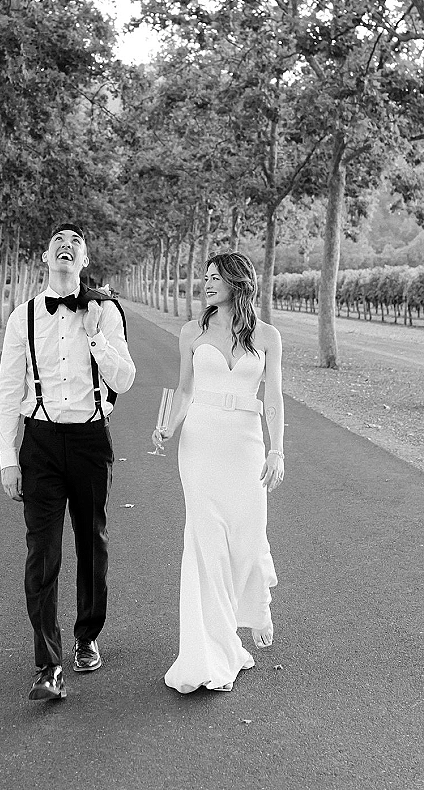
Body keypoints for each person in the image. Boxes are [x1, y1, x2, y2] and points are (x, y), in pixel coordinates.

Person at [0, 223, 135, 701]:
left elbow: (127, 377)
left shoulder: (107, 311)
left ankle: (86, 637)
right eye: (59, 241)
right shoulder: (22, 318)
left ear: (85, 260)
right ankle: (47, 663)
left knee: (91, 541)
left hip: (91, 441)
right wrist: (6, 458)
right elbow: (7, 390)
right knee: (42, 553)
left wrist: (97, 336)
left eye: (76, 242)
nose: (66, 246)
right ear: (44, 257)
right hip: (39, 443)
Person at [152, 252, 284, 694]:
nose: (206, 283)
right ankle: (209, 655)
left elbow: (277, 398)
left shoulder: (267, 337)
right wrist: (168, 427)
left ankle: (243, 622)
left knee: (245, 537)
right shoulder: (192, 331)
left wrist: (277, 450)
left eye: (215, 277)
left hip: (246, 445)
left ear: (237, 281)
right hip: (200, 443)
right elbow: (186, 388)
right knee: (207, 542)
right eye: (204, 276)